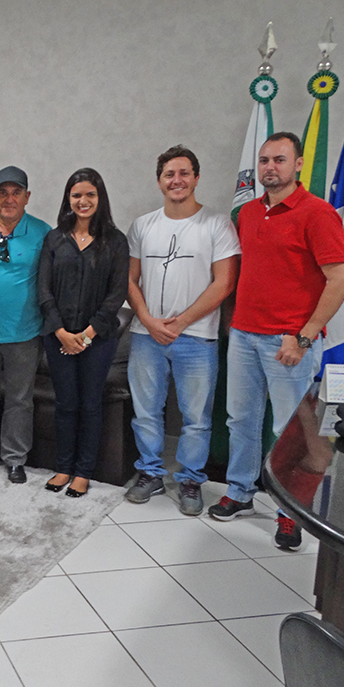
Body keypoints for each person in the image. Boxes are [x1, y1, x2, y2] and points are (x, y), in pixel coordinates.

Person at [211, 132, 344, 550]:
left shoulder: (317, 213)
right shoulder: (250, 213)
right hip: (244, 335)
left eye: (279, 159)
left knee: (288, 431)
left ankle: (290, 512)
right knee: (241, 419)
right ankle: (238, 491)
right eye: (264, 159)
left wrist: (304, 338)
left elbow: (340, 280)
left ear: (298, 165)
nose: (270, 167)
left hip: (289, 342)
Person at [124, 146, 240, 515]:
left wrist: (183, 321)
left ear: (196, 177)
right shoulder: (143, 225)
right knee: (145, 412)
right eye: (169, 174)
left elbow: (224, 283)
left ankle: (190, 479)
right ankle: (150, 473)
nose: (177, 180)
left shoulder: (217, 224)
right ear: (159, 181)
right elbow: (129, 279)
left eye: (184, 173)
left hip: (197, 337)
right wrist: (148, 319)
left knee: (196, 418)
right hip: (146, 336)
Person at [38, 168, 129, 497]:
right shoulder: (54, 238)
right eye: (77, 195)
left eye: (90, 194)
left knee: (90, 405)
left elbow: (116, 296)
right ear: (68, 199)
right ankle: (63, 467)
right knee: (66, 404)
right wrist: (62, 332)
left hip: (98, 340)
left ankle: (83, 472)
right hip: (58, 337)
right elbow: (43, 290)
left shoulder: (115, 241)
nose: (83, 200)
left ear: (100, 197)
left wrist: (87, 335)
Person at [0, 166, 51, 484]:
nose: (9, 198)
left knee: (19, 399)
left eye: (16, 192)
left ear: (27, 197)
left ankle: (15, 459)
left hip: (25, 332)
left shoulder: (43, 232)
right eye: (3, 192)